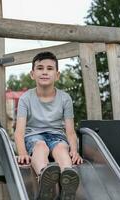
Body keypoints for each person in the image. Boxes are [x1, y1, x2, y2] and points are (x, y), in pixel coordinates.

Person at [14, 51, 83, 200]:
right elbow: (19, 132)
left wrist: (75, 151)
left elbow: (70, 131)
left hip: (57, 136)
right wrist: (22, 153)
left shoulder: (65, 98)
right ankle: (45, 181)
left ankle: (67, 182)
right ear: (32, 74)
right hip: (34, 136)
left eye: (50, 68)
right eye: (40, 68)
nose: (45, 72)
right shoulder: (26, 99)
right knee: (40, 147)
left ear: (57, 75)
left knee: (61, 148)